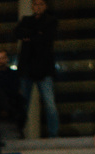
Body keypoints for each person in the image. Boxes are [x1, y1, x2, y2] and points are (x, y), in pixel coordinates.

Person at [12, 0, 59, 138]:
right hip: (27, 69)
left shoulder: (51, 20)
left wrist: (29, 35)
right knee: (23, 105)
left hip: (44, 70)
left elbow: (47, 37)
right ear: (32, 6)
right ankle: (19, 132)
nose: (38, 7)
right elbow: (17, 33)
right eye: (36, 4)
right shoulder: (26, 20)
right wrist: (36, 33)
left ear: (45, 6)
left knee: (50, 105)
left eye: (41, 4)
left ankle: (53, 134)